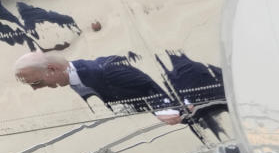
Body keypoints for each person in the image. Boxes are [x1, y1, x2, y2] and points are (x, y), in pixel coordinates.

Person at [13, 51, 181, 123]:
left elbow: (146, 83)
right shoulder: (77, 81)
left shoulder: (105, 70)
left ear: (52, 69)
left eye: (36, 83)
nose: (35, 89)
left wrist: (165, 109)